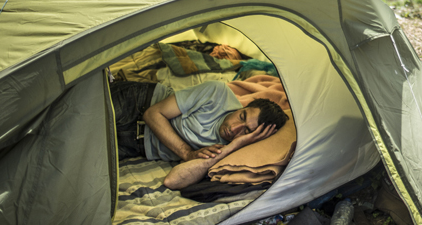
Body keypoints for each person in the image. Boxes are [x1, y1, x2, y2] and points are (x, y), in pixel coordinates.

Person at [111, 80, 289, 190]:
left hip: (135, 145)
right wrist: (188, 154)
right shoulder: (217, 93)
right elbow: (152, 114)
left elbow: (172, 181)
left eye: (247, 131)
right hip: (136, 103)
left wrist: (234, 146)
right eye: (241, 116)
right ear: (243, 107)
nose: (234, 129)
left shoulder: (233, 151)